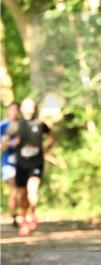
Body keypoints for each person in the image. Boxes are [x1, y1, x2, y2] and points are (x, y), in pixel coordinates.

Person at [13, 97, 53, 237]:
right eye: (27, 106)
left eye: (32, 106)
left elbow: (51, 137)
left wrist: (47, 148)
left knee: (33, 190)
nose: (30, 108)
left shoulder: (40, 124)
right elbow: (6, 139)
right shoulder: (16, 125)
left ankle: (32, 214)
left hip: (36, 162)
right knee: (22, 195)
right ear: (22, 109)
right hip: (21, 163)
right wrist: (12, 142)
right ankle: (23, 218)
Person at [1, 101, 21, 227]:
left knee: (22, 191)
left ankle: (23, 214)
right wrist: (7, 142)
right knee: (13, 190)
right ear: (8, 111)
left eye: (16, 110)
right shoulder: (2, 125)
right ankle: (14, 218)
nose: (13, 112)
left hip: (23, 162)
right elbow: (1, 147)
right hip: (8, 162)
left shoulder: (22, 125)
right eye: (11, 110)